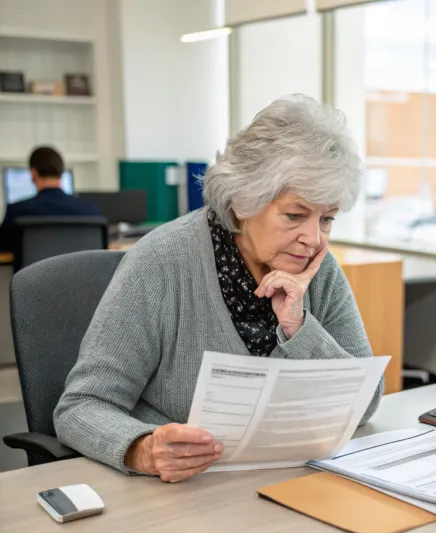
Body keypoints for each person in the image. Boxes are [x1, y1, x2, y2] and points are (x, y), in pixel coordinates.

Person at [54, 94, 382, 483]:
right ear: (245, 199)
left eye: (326, 219)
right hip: (181, 494)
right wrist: (143, 449)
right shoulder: (161, 262)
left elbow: (363, 403)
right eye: (295, 215)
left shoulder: (318, 270)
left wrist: (299, 327)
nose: (312, 238)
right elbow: (81, 406)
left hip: (284, 485)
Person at [0, 146, 100, 252]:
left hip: (35, 269)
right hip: (79, 268)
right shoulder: (91, 211)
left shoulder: (17, 211)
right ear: (61, 173)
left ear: (33, 173)